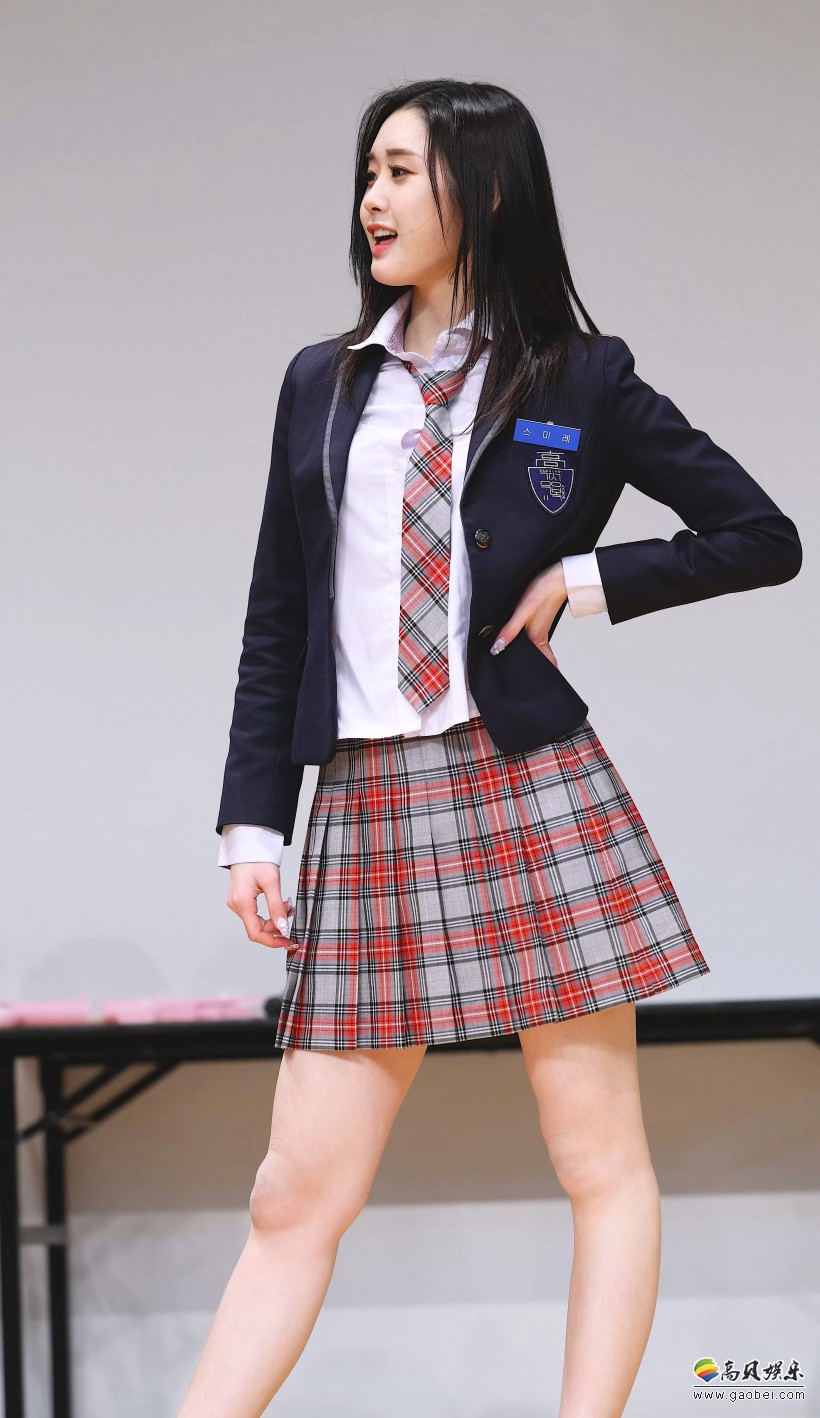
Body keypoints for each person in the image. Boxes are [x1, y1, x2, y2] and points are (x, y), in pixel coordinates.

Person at [178, 79, 802, 1417]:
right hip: (364, 801)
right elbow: (278, 616)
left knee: (597, 1158)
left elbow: (763, 535)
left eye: (405, 170)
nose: (374, 198)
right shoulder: (323, 384)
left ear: (491, 190)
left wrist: (586, 580)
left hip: (525, 786)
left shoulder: (580, 375)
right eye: (370, 171)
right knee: (293, 1192)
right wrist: (252, 825)